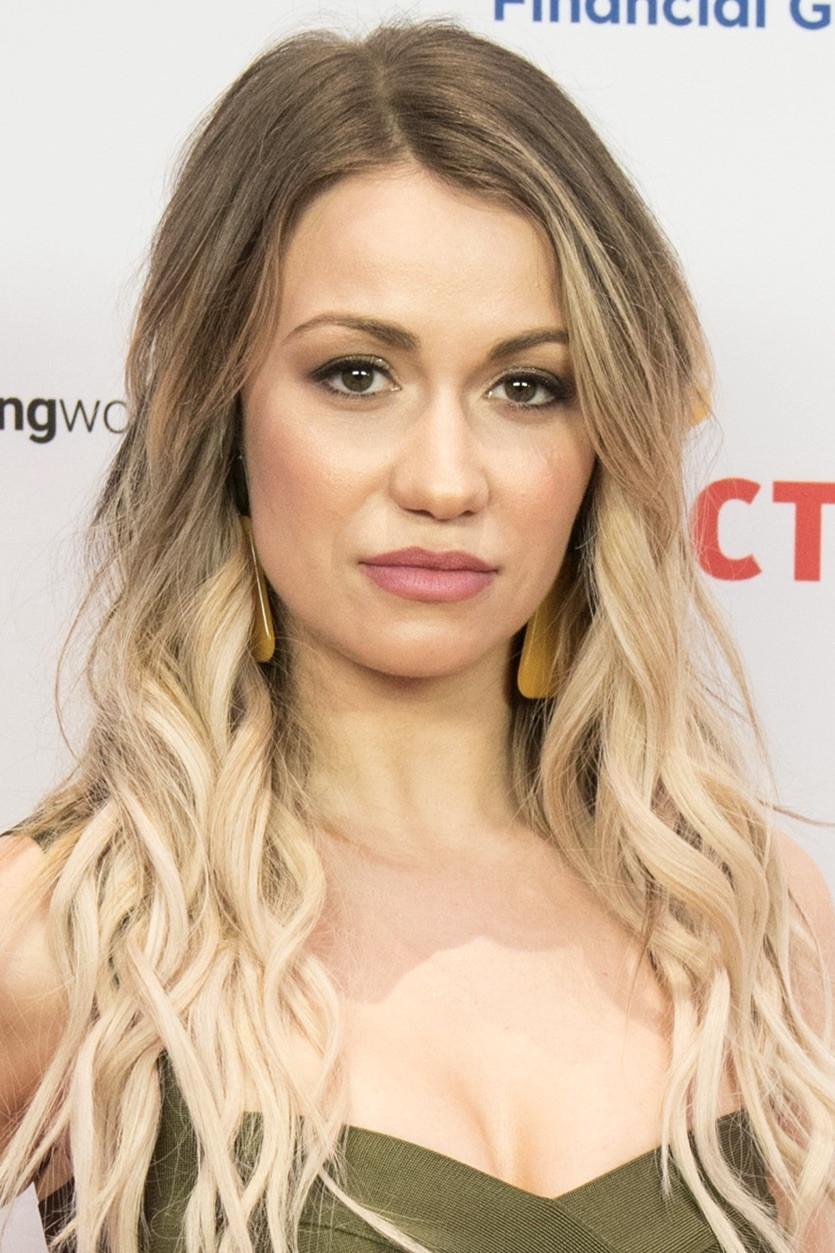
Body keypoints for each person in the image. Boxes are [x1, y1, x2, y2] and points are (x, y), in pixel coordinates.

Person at [0, 14, 833, 1253]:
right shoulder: (68, 933)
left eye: (526, 385)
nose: (445, 478)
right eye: (356, 374)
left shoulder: (749, 920)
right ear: (219, 405)